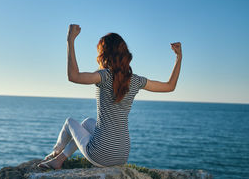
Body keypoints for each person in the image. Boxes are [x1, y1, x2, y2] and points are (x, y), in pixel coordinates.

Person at [38, 24, 182, 170]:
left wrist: (70, 40)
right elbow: (170, 86)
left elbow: (73, 76)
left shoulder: (105, 76)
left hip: (101, 155)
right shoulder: (136, 80)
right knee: (88, 123)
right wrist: (178, 57)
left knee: (70, 122)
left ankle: (54, 154)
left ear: (105, 54)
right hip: (122, 155)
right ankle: (59, 160)